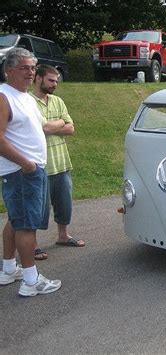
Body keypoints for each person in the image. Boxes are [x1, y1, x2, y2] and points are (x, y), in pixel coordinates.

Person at [0, 48, 61, 296]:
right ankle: (30, 280)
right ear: (9, 70)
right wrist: (27, 164)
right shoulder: (4, 97)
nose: (30, 72)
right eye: (24, 67)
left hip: (29, 171)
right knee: (26, 226)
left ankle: (8, 269)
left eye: (33, 68)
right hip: (21, 172)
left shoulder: (24, 97)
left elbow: (39, 127)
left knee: (16, 220)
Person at [30, 64, 84, 260]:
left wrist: (56, 125)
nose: (55, 84)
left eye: (56, 81)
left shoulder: (58, 101)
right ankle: (33, 244)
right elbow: (41, 128)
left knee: (64, 203)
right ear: (38, 78)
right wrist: (61, 122)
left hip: (61, 161)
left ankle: (63, 235)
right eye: (51, 80)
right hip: (40, 164)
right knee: (38, 206)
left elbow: (71, 129)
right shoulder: (28, 102)